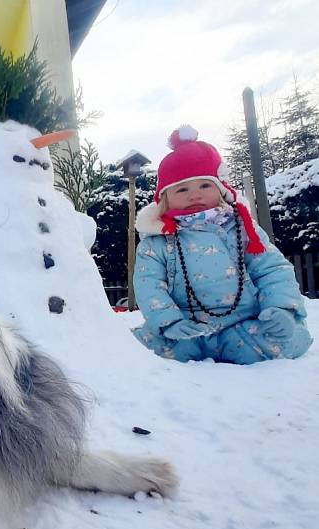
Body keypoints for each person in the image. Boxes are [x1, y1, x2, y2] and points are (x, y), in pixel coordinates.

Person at [132, 125, 312, 364]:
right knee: (136, 349)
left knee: (285, 339)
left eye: (204, 185)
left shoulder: (242, 230)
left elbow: (272, 269)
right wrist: (169, 323)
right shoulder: (156, 241)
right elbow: (148, 284)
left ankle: (243, 342)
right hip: (186, 330)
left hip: (245, 326)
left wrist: (281, 309)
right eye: (183, 188)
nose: (194, 195)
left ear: (221, 189)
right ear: (164, 198)